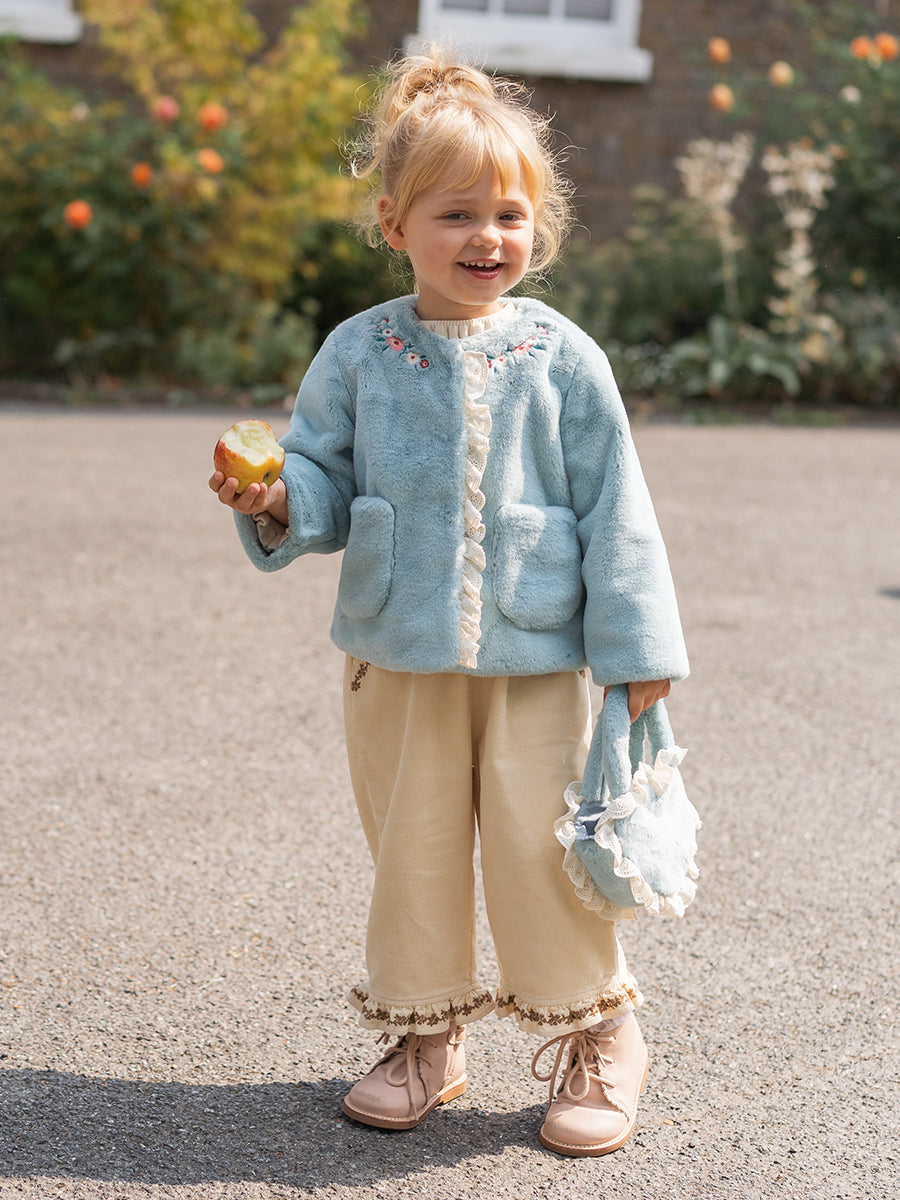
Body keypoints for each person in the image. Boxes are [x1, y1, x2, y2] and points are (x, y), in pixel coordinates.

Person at [209, 47, 689, 1157]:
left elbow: (618, 506)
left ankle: (602, 1033)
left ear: (539, 229)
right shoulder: (358, 353)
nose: (487, 237)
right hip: (397, 654)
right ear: (395, 223)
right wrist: (274, 495)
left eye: (510, 216)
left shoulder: (563, 358)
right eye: (457, 213)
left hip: (536, 657)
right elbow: (321, 478)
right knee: (413, 854)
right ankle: (426, 1035)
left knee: (542, 856)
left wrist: (637, 653)